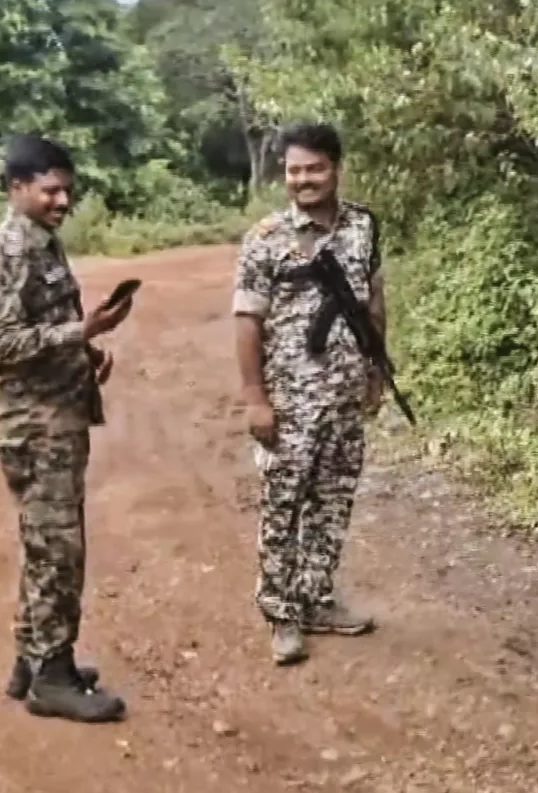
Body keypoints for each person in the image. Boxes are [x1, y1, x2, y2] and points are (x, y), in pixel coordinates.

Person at [0, 135, 134, 722]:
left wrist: (87, 355)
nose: (62, 199)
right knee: (58, 552)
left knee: (47, 547)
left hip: (57, 418)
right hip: (34, 427)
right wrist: (81, 333)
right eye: (50, 190)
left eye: (67, 188)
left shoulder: (42, 242)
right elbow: (1, 346)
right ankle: (52, 677)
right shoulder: (10, 251)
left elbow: (46, 324)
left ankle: (30, 659)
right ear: (17, 188)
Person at [233, 121, 384, 666]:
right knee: (283, 506)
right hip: (290, 401)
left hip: (345, 396)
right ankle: (280, 613)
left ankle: (318, 597)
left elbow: (372, 300)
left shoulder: (363, 226)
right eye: (295, 170)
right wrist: (255, 397)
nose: (304, 179)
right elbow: (247, 321)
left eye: (315, 168)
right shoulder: (266, 238)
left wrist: (375, 371)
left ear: (336, 168)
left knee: (332, 501)